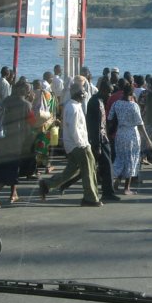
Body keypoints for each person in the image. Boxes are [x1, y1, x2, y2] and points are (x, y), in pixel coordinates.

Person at [38, 77, 102, 207]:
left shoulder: (74, 105)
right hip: (78, 145)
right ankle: (90, 197)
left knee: (71, 171)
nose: (85, 95)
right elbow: (73, 129)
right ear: (78, 94)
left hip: (78, 144)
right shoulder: (72, 107)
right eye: (83, 92)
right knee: (88, 169)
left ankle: (47, 184)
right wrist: (81, 144)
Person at [0, 78, 33, 207]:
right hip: (18, 140)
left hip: (4, 138)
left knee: (10, 167)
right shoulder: (26, 105)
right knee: (12, 169)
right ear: (25, 91)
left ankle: (13, 194)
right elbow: (32, 123)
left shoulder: (6, 101)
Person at [108, 81, 150, 195]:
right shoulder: (134, 106)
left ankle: (115, 180)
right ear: (132, 93)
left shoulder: (116, 104)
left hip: (120, 133)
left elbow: (110, 118)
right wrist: (147, 138)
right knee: (131, 159)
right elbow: (140, 123)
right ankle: (127, 188)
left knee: (120, 158)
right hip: (131, 134)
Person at [86, 77, 120, 201]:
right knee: (106, 167)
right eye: (109, 92)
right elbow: (94, 125)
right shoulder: (95, 102)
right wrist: (97, 145)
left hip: (103, 138)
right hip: (99, 140)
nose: (110, 95)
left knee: (106, 166)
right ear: (104, 90)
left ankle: (108, 191)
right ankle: (108, 192)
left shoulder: (100, 101)